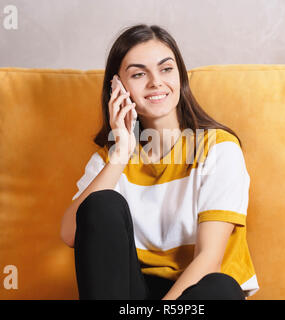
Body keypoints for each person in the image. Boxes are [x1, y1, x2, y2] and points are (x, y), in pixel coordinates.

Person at [60, 24, 259, 300]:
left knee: (220, 288)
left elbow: (209, 259)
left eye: (166, 69)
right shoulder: (109, 160)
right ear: (117, 87)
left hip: (194, 294)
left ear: (180, 76)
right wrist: (122, 151)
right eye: (139, 74)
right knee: (102, 203)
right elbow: (71, 233)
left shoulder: (218, 148)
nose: (155, 82)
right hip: (130, 295)